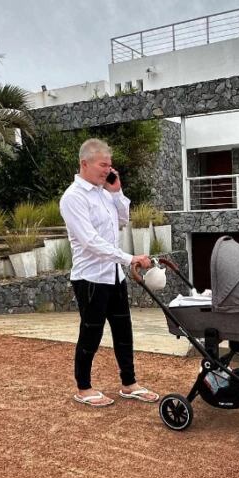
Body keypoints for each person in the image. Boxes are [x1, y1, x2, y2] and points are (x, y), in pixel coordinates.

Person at [59, 138, 159, 407]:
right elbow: (90, 241)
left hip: (113, 275)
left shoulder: (103, 193)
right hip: (90, 278)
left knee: (123, 330)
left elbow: (122, 222)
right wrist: (129, 258)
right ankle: (84, 388)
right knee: (91, 332)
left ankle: (129, 383)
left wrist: (116, 193)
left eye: (110, 165)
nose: (108, 170)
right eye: (103, 165)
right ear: (85, 163)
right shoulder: (73, 198)